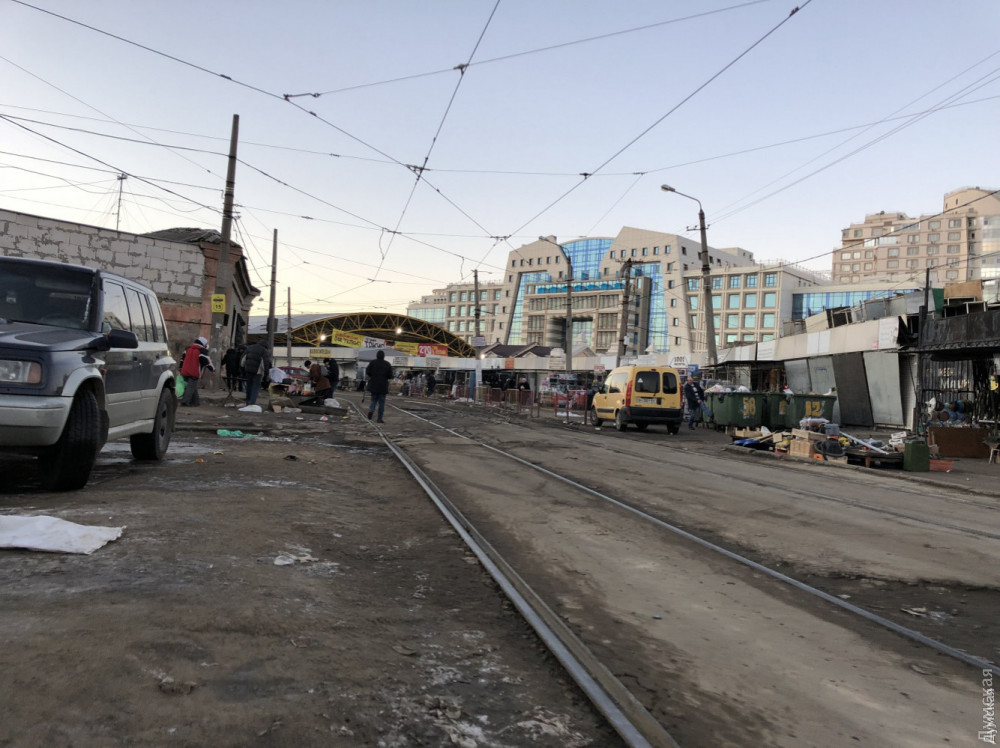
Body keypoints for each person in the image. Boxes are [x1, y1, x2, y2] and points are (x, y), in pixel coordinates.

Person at [179, 336, 215, 407]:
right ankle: (185, 402)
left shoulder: (188, 349)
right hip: (194, 372)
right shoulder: (202, 351)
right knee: (190, 388)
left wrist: (180, 368)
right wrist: (212, 369)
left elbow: (182, 359)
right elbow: (207, 361)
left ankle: (196, 402)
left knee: (192, 387)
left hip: (185, 371)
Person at [365, 349, 393, 423]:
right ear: (384, 356)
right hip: (383, 386)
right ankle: (379, 418)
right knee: (382, 403)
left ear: (377, 355)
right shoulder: (387, 364)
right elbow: (390, 375)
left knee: (373, 400)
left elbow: (368, 371)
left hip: (374, 384)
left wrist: (372, 376)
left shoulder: (372, 362)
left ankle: (371, 410)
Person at [241, 339, 271, 407]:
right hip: (257, 372)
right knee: (255, 387)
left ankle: (247, 402)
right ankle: (252, 404)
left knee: (249, 386)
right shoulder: (264, 351)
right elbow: (265, 363)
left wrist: (242, 370)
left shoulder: (249, 348)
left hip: (248, 370)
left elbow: (242, 359)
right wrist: (266, 373)